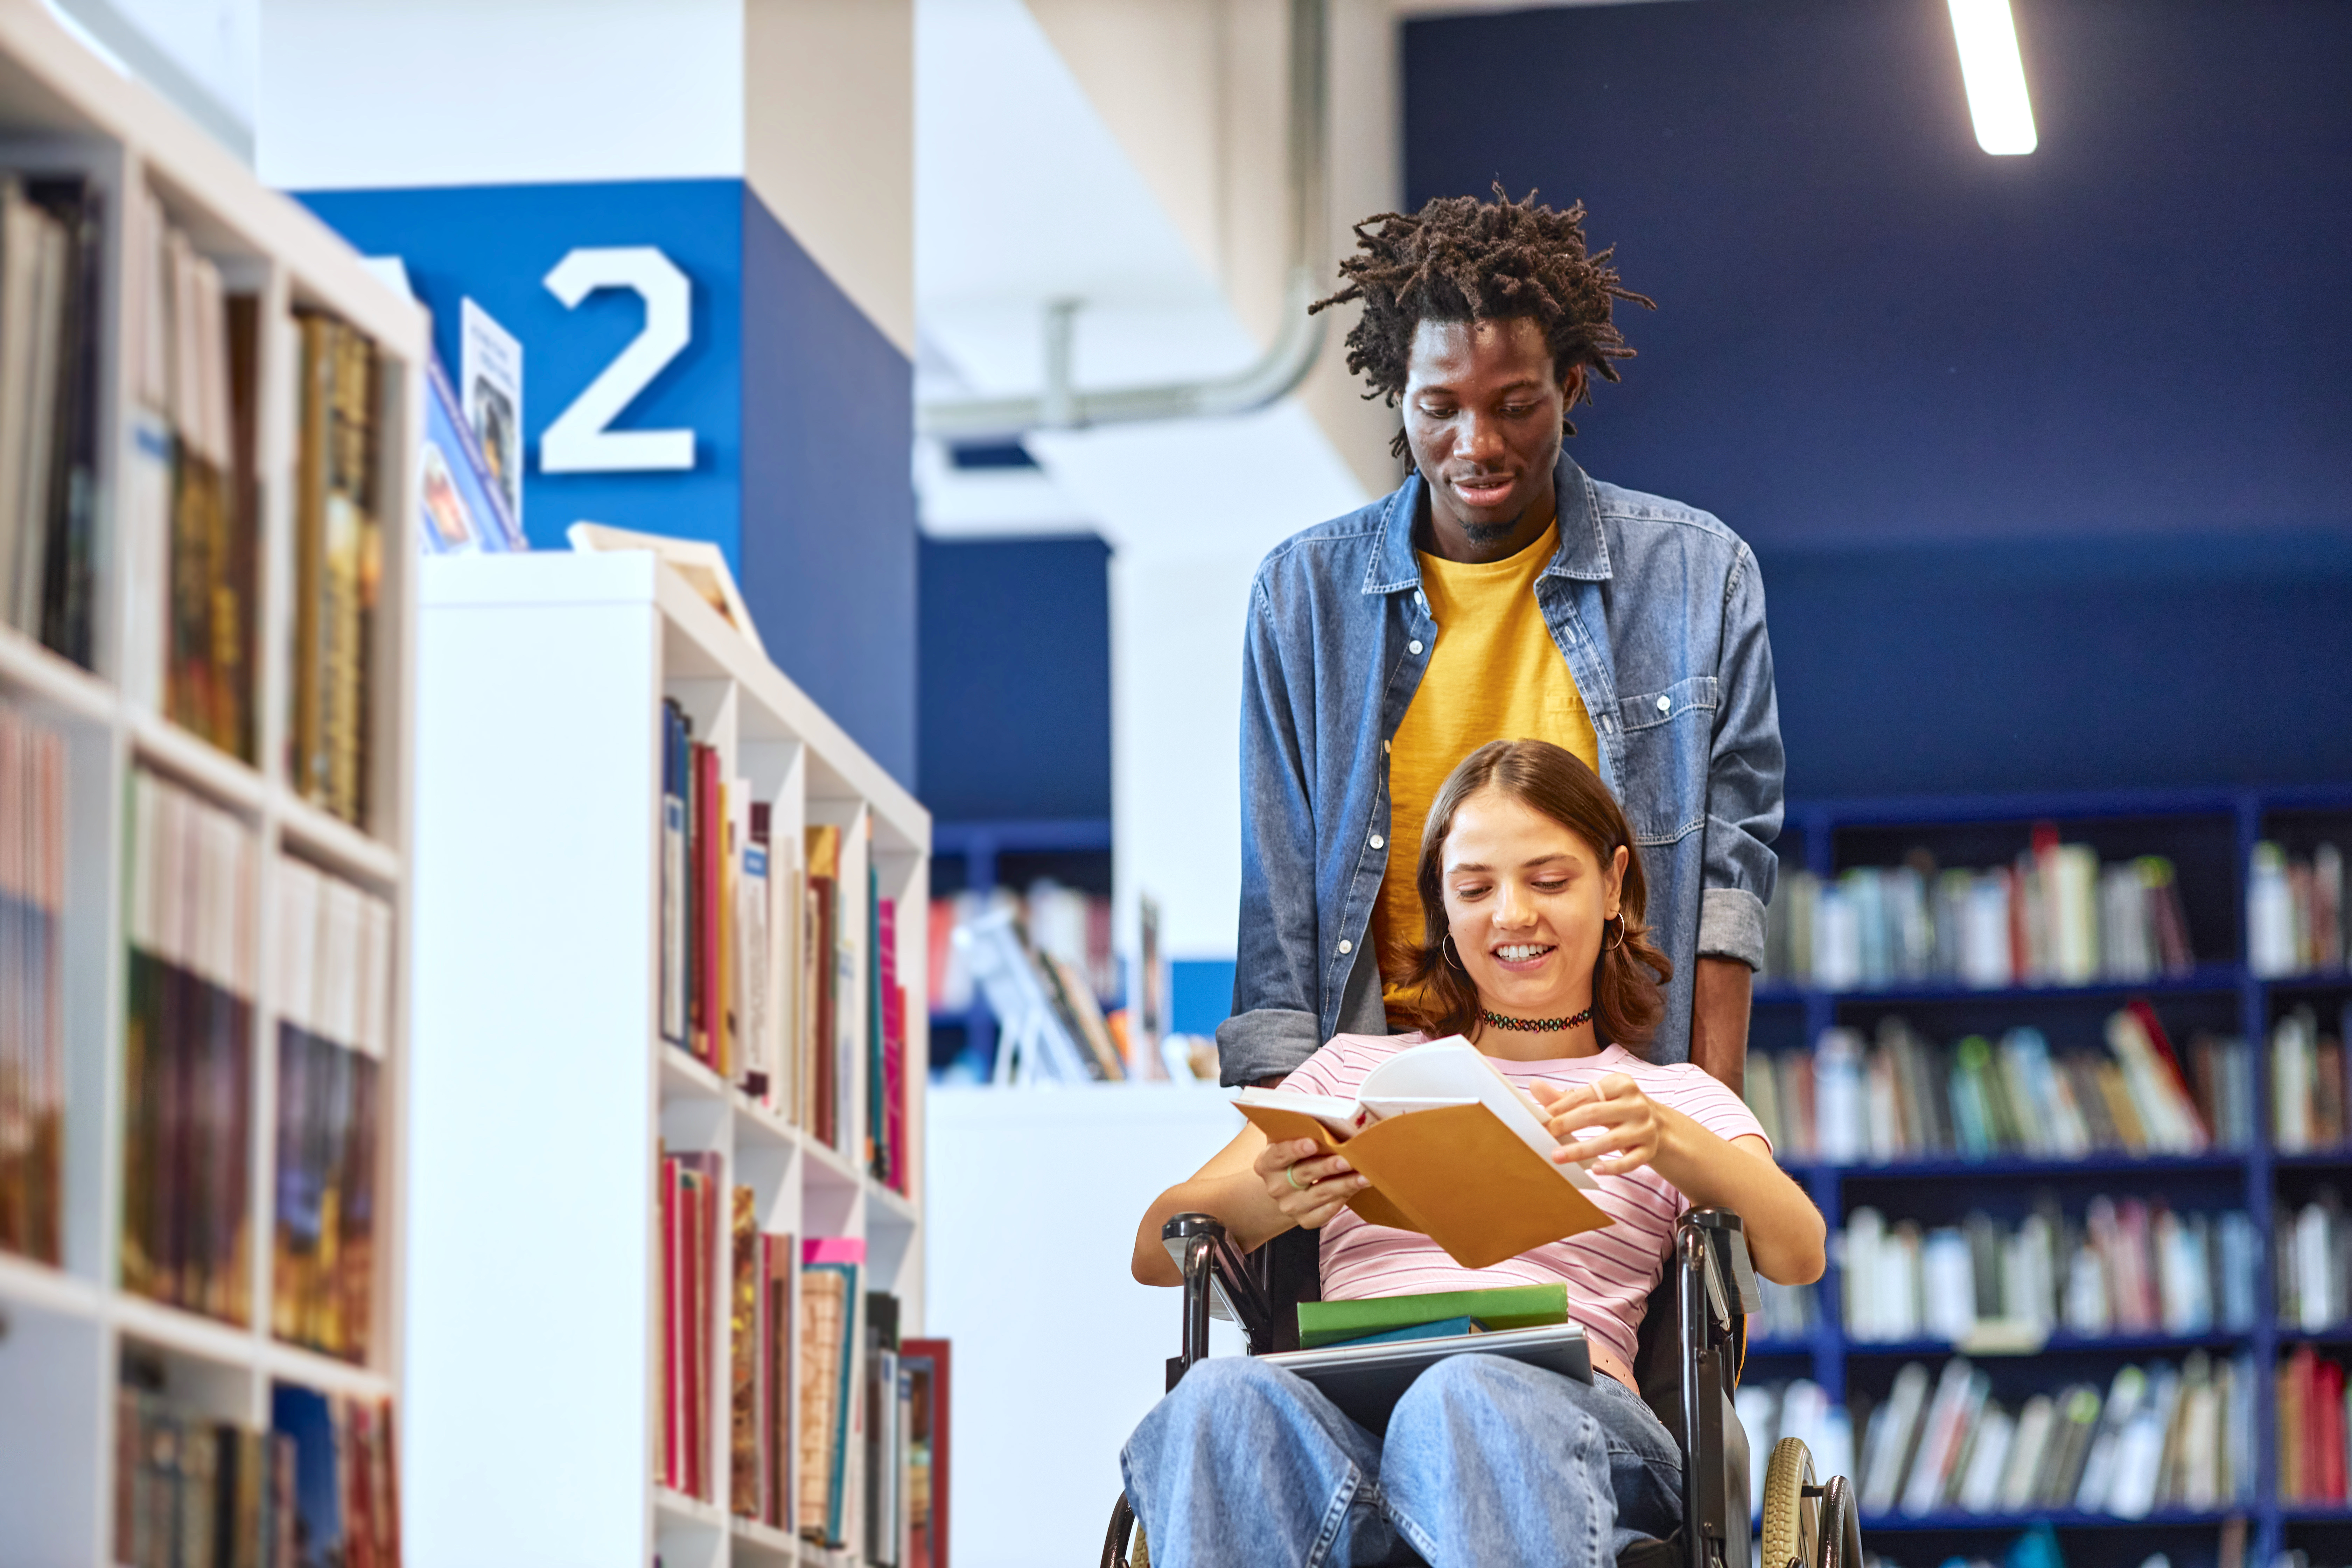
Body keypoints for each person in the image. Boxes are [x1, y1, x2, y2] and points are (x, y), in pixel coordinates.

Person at [1126, 740, 1825, 1568]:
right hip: (1341, 1414)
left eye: (1549, 880)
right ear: (1443, 910)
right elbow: (1157, 1248)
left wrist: (1669, 1141)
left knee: (1462, 1391)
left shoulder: (1670, 1097)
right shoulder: (1353, 1069)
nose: (1513, 914)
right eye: (1475, 888)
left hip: (1575, 1420)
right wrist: (1274, 1196)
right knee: (1215, 1398)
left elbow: (1799, 1249)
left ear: (1612, 884)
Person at [1221, 187, 1783, 1094]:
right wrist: (1291, 1167)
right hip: (1380, 1104)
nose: (1476, 444)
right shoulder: (1303, 598)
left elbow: (1727, 886)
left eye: (1515, 404)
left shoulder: (1696, 577)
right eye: (1438, 407)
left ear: (1567, 387)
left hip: (1610, 1096)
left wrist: (1713, 1135)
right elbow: (1277, 911)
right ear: (1396, 395)